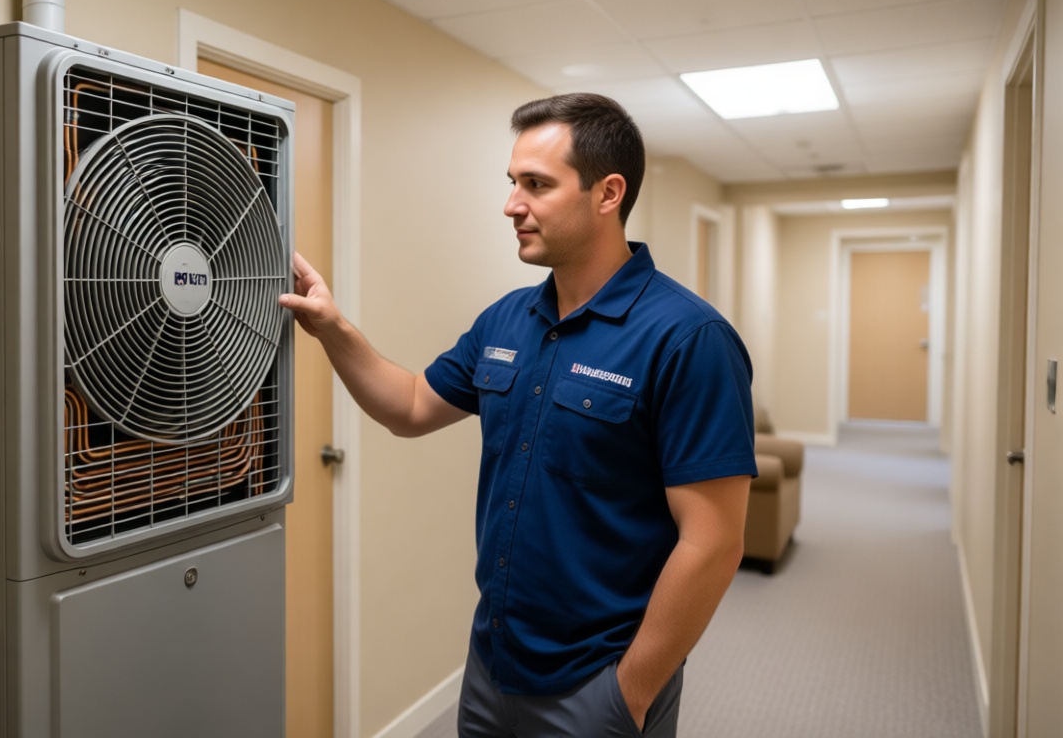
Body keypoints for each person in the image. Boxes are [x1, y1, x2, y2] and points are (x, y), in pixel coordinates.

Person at [278, 93, 756, 737]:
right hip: (493, 664)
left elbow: (713, 541)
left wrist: (629, 694)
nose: (511, 205)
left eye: (536, 185)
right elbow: (413, 405)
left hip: (599, 681)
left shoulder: (688, 338)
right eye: (512, 183)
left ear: (607, 193)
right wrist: (333, 329)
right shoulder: (507, 318)